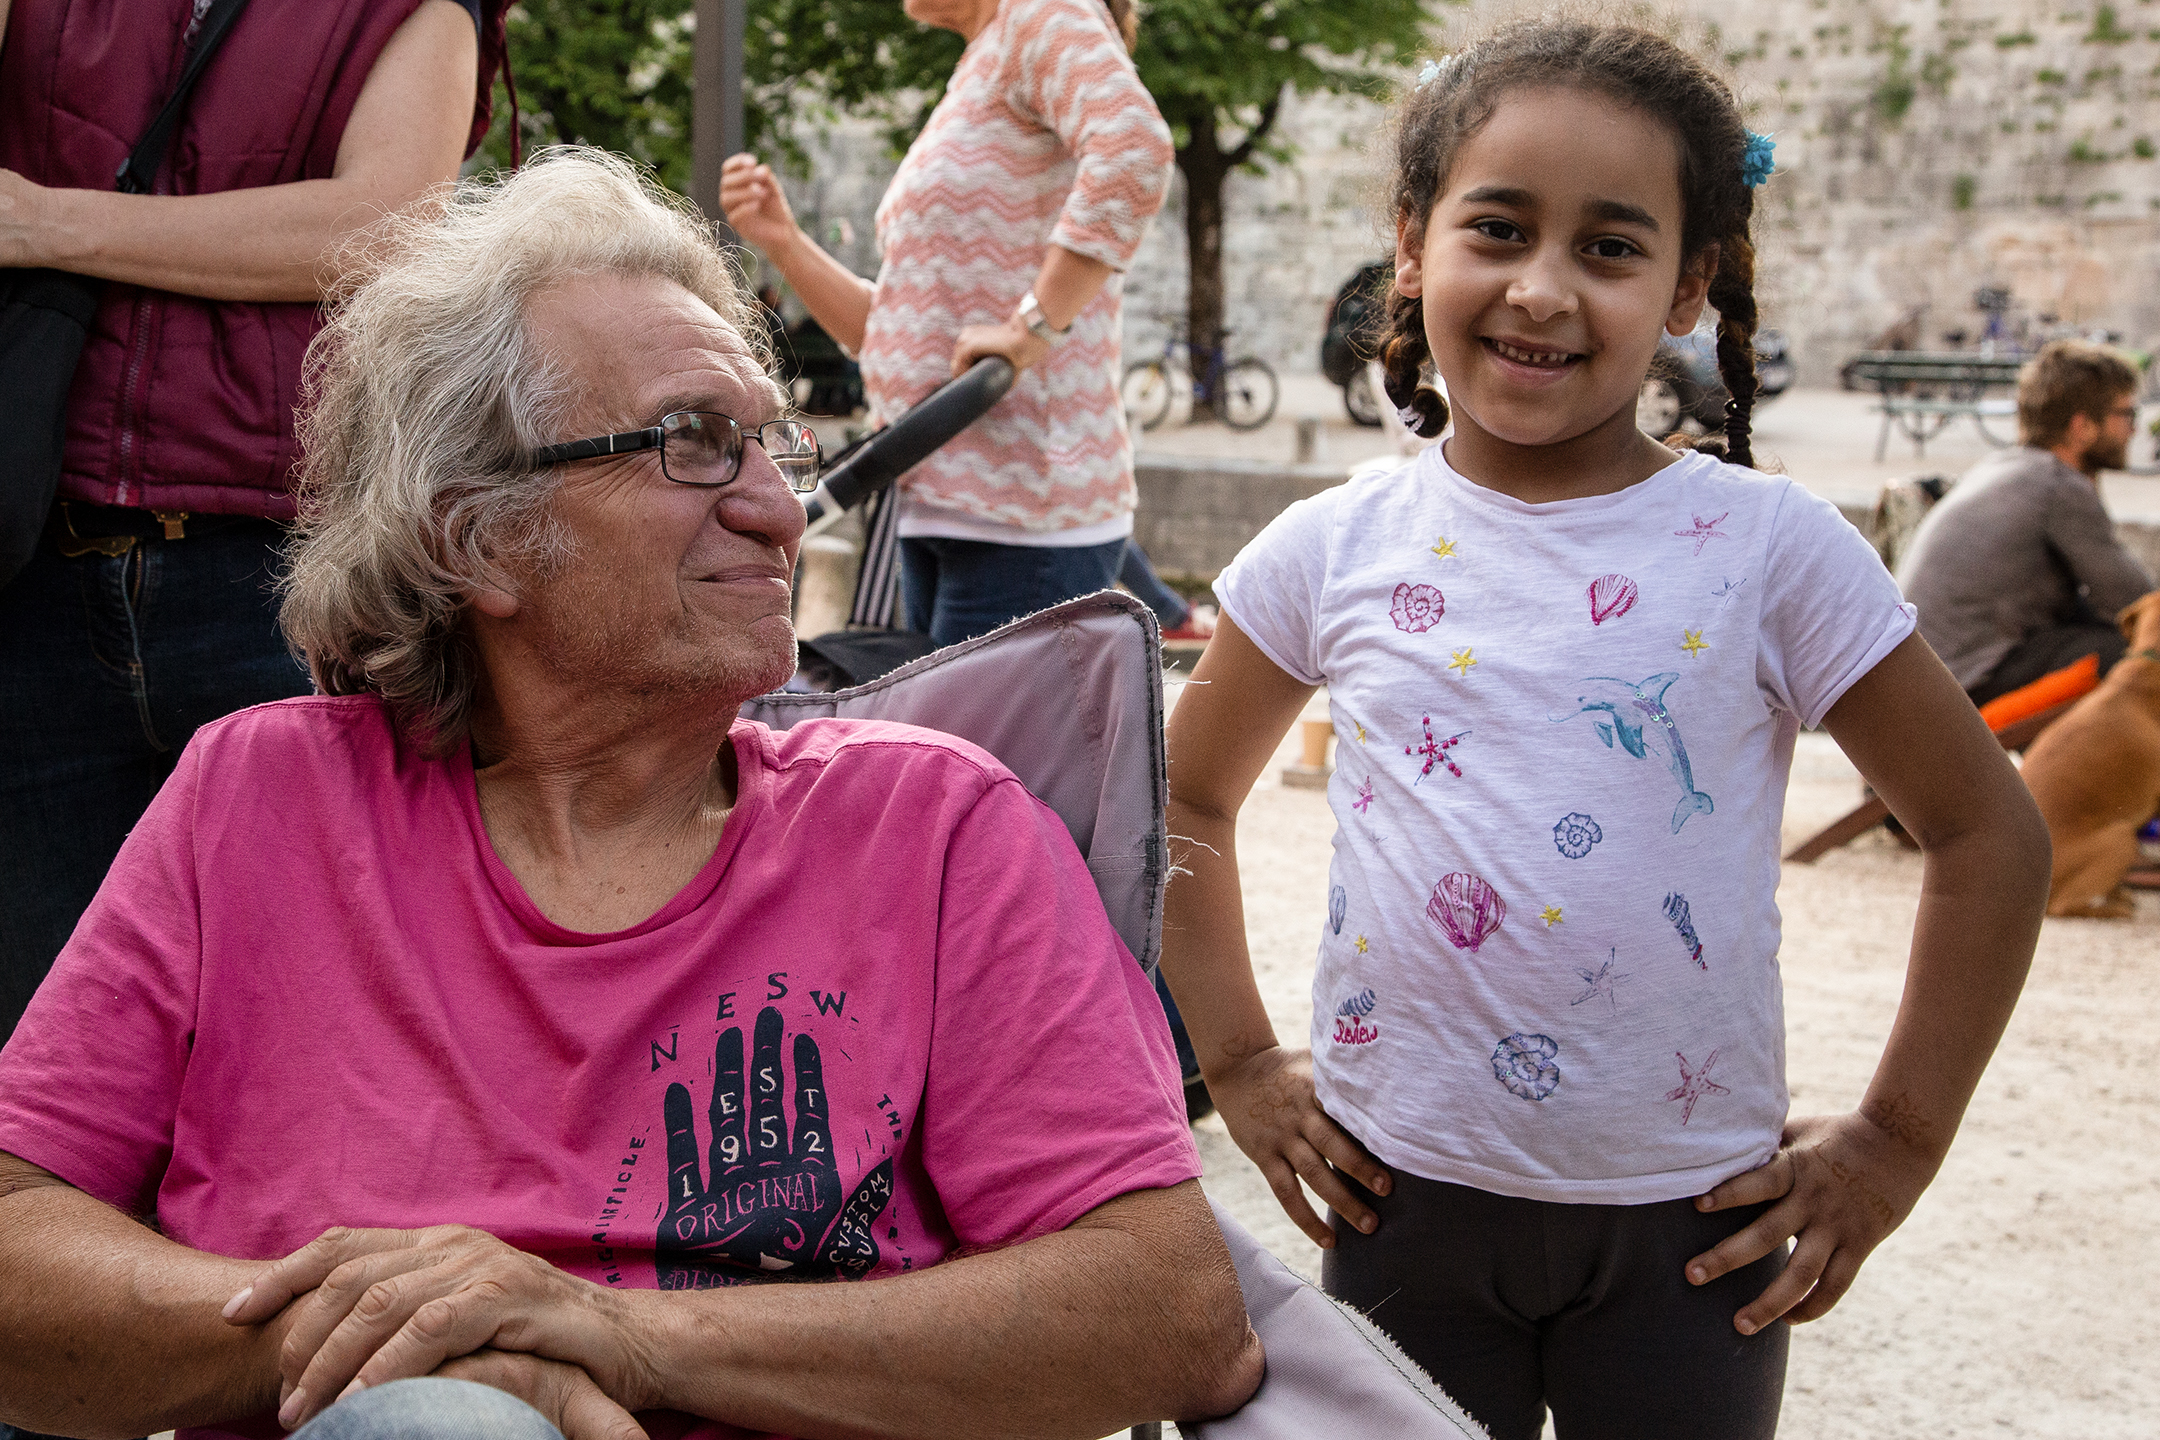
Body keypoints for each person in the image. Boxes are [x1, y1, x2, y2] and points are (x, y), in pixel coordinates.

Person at [0, 151, 1261, 1440]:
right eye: (694, 443)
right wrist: (409, 1354)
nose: (778, 509)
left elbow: (1174, 1312)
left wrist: (618, 1338)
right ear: (478, 539)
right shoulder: (262, 803)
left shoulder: (934, 828)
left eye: (771, 442)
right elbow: (16, 1244)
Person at [1157, 22, 2048, 1440]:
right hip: (1404, 1198)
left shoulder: (1771, 552)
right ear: (1412, 242)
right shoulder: (1333, 549)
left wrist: (1895, 1143)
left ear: (1690, 284)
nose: (1542, 288)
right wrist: (1241, 1061)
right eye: (1498, 228)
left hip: (1692, 1230)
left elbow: (1987, 830)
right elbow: (1181, 797)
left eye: (1612, 247)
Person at [0, 0, 504, 1040]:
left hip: (283, 570)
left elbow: (381, 229)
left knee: (306, 1023)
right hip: (30, 557)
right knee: (43, 1044)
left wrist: (49, 223)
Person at [720, 0, 1174, 648]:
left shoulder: (1041, 13)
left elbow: (1134, 146)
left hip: (1021, 511)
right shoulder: (982, 60)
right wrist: (784, 243)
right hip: (937, 502)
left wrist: (1030, 330)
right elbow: (894, 333)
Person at [1896, 339, 2157, 706]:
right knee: (2140, 656)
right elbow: (2135, 601)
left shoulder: (2004, 467)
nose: (2134, 429)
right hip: (1968, 683)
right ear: (2082, 426)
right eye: (2127, 414)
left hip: (1931, 675)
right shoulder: (2058, 485)